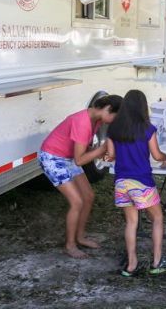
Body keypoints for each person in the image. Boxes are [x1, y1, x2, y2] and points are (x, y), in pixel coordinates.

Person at [104, 90, 166, 276]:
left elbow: (111, 155)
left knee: (131, 223)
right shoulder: (147, 128)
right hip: (141, 182)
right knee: (158, 218)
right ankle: (157, 261)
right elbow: (156, 154)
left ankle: (131, 265)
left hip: (122, 182)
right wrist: (165, 157)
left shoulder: (113, 130)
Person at [39, 95, 122, 258]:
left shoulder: (96, 120)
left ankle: (80, 237)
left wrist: (107, 156)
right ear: (107, 109)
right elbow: (80, 160)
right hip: (52, 158)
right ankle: (70, 245)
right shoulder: (82, 122)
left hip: (67, 157)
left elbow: (85, 150)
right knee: (77, 201)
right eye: (115, 117)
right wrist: (102, 149)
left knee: (88, 196)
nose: (113, 121)